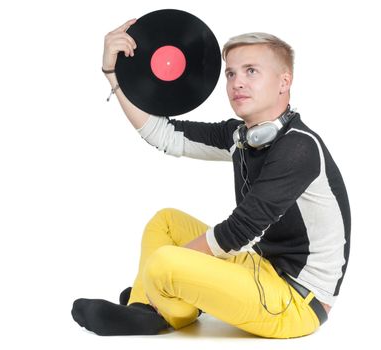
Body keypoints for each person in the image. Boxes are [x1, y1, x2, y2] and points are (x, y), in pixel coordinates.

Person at [71, 18, 351, 338]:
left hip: (296, 302)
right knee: (166, 222)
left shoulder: (299, 147)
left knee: (164, 262)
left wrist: (166, 268)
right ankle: (146, 310)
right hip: (260, 268)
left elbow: (239, 231)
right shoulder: (244, 136)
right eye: (231, 73)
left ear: (284, 81)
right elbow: (164, 134)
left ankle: (160, 298)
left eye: (251, 71)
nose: (236, 82)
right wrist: (113, 75)